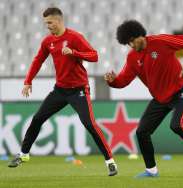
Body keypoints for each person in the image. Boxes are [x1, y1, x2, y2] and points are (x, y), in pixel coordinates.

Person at [7, 7, 117, 176]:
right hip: (60, 90)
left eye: (49, 22)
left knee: (89, 124)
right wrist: (28, 81)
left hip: (79, 90)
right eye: (45, 23)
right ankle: (23, 154)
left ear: (58, 20)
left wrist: (74, 52)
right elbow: (37, 60)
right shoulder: (47, 41)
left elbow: (94, 56)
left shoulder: (74, 37)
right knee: (37, 119)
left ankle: (110, 161)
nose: (47, 26)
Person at [104, 20, 183, 178]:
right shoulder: (132, 58)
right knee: (141, 132)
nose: (131, 45)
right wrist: (112, 81)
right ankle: (151, 171)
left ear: (140, 35)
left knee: (177, 125)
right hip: (160, 99)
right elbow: (123, 81)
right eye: (128, 43)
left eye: (132, 40)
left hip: (181, 90)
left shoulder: (161, 41)